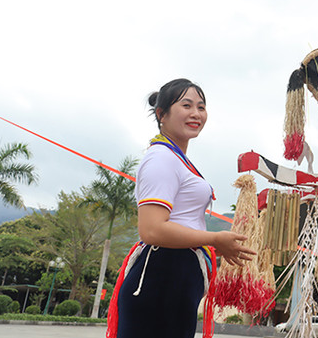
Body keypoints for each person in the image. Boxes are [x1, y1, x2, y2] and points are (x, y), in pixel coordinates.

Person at [106, 78, 255, 338]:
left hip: (174, 278)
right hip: (160, 277)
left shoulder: (176, 158)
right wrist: (214, 239)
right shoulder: (161, 158)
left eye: (201, 106)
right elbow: (152, 230)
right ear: (161, 114)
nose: (196, 114)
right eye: (186, 105)